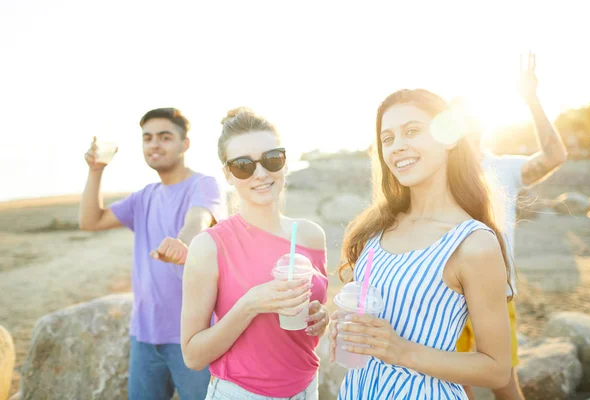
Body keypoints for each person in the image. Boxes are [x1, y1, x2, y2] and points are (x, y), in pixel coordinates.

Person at [328, 89, 513, 399]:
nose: (398, 146)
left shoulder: (473, 243)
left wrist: (400, 350)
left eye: (412, 131)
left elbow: (496, 368)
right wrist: (344, 329)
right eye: (387, 139)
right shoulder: (377, 228)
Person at [175, 108, 330, 399]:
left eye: (271, 159)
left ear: (284, 163)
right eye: (243, 165)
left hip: (308, 387)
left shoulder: (310, 236)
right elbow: (192, 356)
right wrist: (250, 305)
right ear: (228, 174)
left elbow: (306, 324)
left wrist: (321, 317)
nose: (260, 173)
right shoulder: (209, 246)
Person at [79, 107, 227, 400]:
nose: (154, 144)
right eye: (147, 138)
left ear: (185, 144)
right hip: (144, 336)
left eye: (164, 137)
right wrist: (96, 170)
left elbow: (199, 219)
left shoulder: (204, 184)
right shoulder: (144, 196)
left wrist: (182, 242)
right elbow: (89, 221)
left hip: (194, 335)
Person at [453, 53, 568, 400]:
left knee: (505, 385)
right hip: (444, 295)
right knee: (456, 386)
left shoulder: (503, 169)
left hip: (496, 294)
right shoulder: (435, 175)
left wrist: (531, 100)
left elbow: (554, 157)